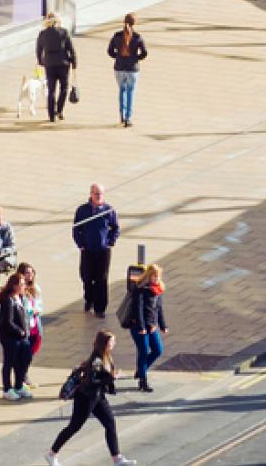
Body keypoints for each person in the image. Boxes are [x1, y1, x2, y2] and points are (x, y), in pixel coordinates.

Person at [44, 330, 134, 466]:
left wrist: (109, 378)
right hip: (86, 398)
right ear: (105, 344)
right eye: (112, 341)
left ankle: (117, 458)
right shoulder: (97, 360)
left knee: (110, 423)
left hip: (98, 396)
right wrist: (111, 377)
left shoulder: (106, 356)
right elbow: (92, 381)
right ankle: (51, 454)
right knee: (74, 426)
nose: (115, 343)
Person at [73, 183, 120, 317]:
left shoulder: (108, 210)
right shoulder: (82, 210)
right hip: (87, 249)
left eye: (100, 194)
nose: (98, 196)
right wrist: (80, 244)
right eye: (95, 193)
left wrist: (110, 242)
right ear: (91, 194)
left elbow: (115, 228)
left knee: (101, 279)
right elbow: (76, 228)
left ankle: (100, 308)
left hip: (103, 251)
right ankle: (89, 299)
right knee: (86, 276)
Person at [120, 262, 167, 393]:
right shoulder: (140, 290)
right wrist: (142, 327)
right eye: (154, 276)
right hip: (139, 326)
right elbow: (138, 309)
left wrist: (162, 325)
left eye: (158, 276)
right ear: (148, 276)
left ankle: (141, 370)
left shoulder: (157, 289)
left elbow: (159, 309)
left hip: (151, 326)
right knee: (143, 351)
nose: (156, 279)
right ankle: (143, 381)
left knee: (158, 350)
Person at [0, 271, 36, 401]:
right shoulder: (8, 301)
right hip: (10, 337)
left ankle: (19, 385)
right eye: (21, 284)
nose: (23, 286)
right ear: (14, 286)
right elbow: (8, 322)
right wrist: (20, 331)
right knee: (9, 362)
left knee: (25, 359)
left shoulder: (21, 298)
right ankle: (7, 389)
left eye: (24, 284)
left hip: (22, 337)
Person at [106, 14, 147, 127]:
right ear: (135, 23)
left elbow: (109, 51)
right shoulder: (138, 37)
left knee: (122, 90)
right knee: (130, 92)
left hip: (119, 67)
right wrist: (135, 58)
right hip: (132, 68)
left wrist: (118, 56)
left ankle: (122, 115)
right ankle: (128, 118)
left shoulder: (117, 35)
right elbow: (144, 53)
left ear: (124, 22)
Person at [35, 14, 75, 124]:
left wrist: (41, 61)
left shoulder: (42, 34)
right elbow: (70, 48)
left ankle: (51, 115)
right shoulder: (63, 32)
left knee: (51, 90)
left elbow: (38, 50)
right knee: (64, 88)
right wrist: (74, 62)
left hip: (49, 64)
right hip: (63, 64)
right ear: (58, 21)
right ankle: (59, 110)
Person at [17, 261, 46, 388]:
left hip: (35, 325)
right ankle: (22, 377)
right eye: (27, 273)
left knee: (31, 352)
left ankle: (23, 374)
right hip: (25, 325)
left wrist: (37, 310)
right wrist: (30, 311)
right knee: (24, 354)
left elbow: (39, 305)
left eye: (31, 272)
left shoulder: (36, 288)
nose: (30, 275)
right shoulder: (20, 290)